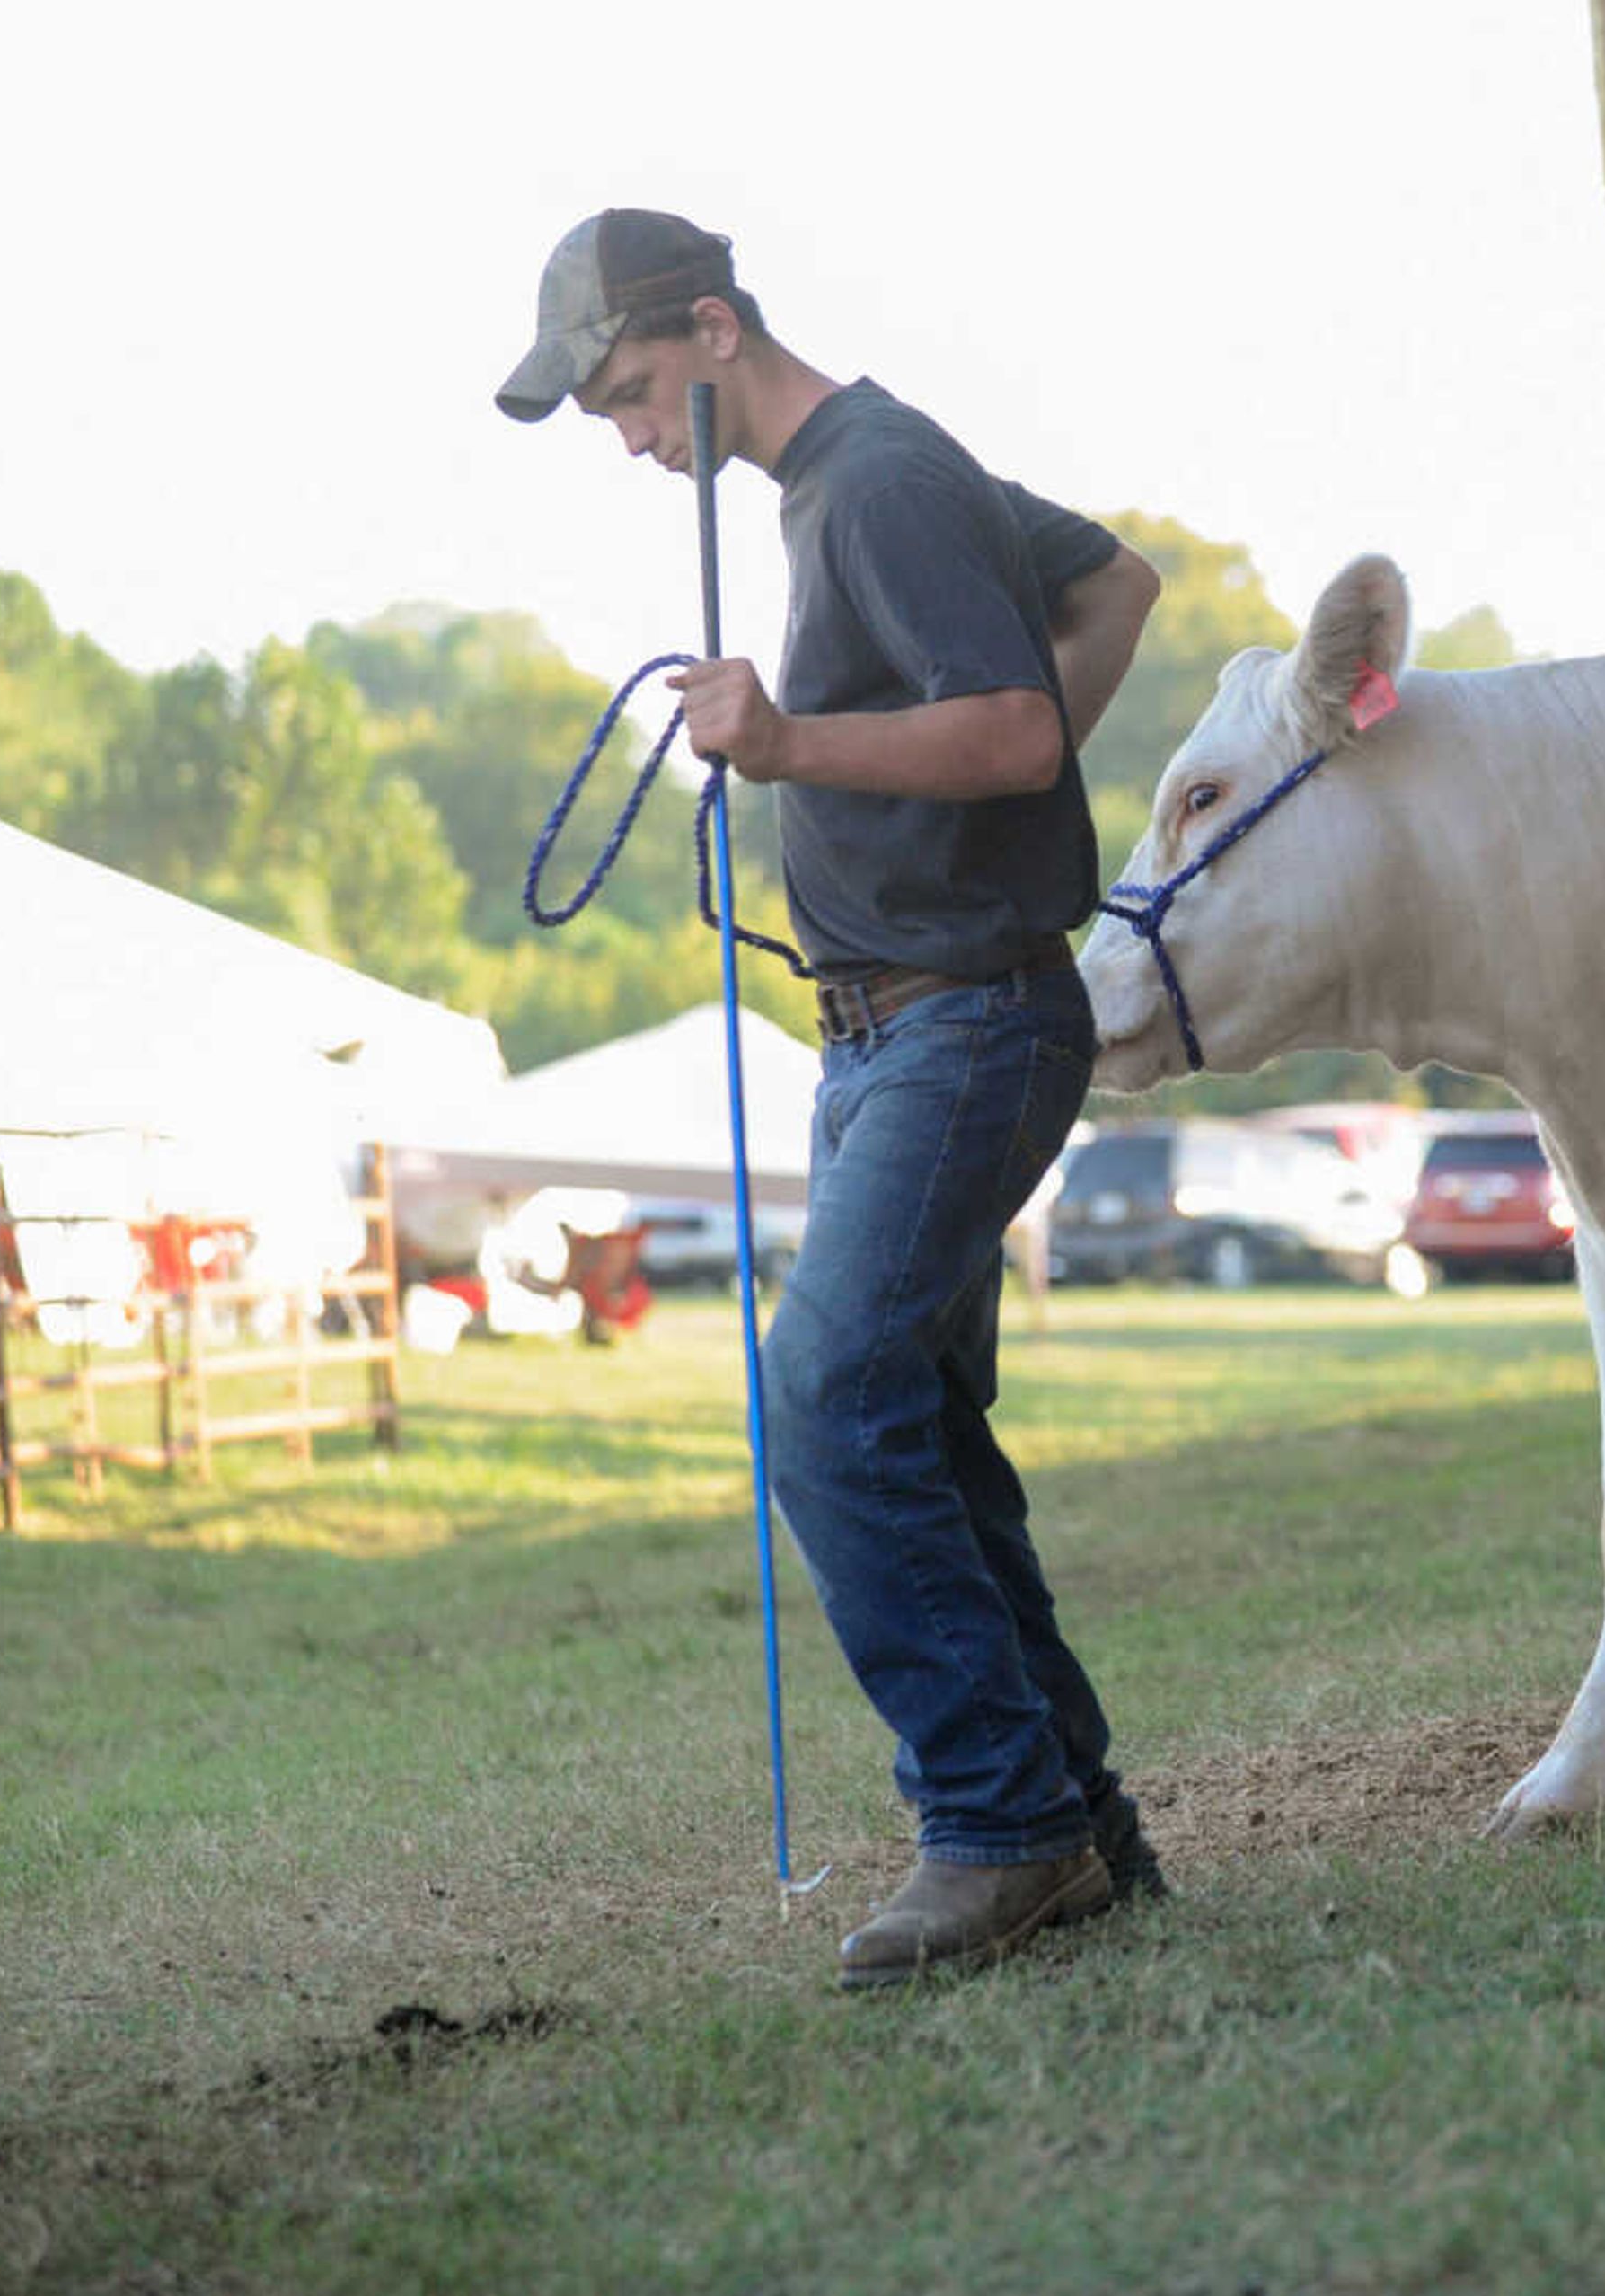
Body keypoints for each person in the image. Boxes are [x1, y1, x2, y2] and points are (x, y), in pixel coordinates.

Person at [498, 208, 1165, 1991]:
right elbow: (1113, 590)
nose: (637, 440)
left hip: (966, 1029)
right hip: (876, 1039)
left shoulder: (871, 484)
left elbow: (1017, 727)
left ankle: (999, 1828)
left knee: (825, 1395)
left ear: (712, 327)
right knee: (921, 1429)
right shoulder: (856, 478)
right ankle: (1078, 1827)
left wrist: (799, 749)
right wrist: (969, 808)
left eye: (638, 396)